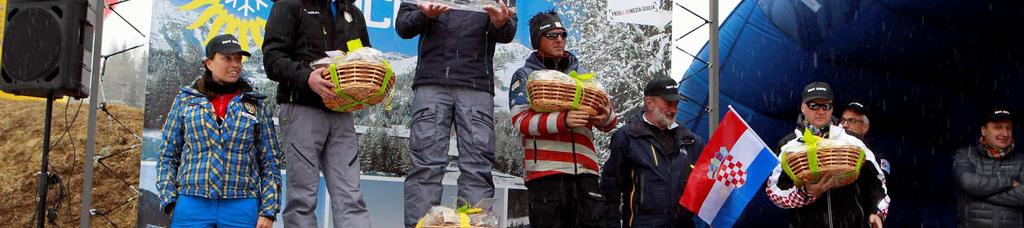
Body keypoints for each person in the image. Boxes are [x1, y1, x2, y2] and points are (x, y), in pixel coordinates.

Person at [395, 1, 516, 227]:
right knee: (425, 167)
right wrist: (424, 15)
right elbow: (403, 26)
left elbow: (508, 31)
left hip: (476, 85)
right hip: (432, 82)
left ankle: (476, 225)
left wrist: (501, 23)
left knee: (477, 167)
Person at [262, 0, 373, 226]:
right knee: (302, 198)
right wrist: (306, 77)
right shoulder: (289, 5)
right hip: (302, 109)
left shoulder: (352, 12)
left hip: (342, 112)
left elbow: (364, 57)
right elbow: (272, 59)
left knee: (351, 197)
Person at [158, 34, 282, 228]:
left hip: (242, 204)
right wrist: (169, 199)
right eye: (227, 58)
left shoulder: (256, 104)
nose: (235, 65)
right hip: (191, 202)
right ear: (209, 63)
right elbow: (168, 154)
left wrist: (268, 210)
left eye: (238, 59)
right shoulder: (186, 99)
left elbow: (270, 161)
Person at [508, 11, 618, 227]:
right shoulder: (524, 75)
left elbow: (610, 119)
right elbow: (521, 121)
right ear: (537, 41)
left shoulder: (583, 76)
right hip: (546, 177)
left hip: (587, 177)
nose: (560, 39)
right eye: (551, 35)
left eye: (563, 34)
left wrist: (606, 117)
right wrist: (563, 120)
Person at [766, 81, 889, 228]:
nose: (820, 111)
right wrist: (805, 193)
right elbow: (774, 190)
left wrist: (877, 211)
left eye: (826, 106)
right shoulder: (788, 145)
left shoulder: (852, 140)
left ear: (832, 108)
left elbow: (877, 179)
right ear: (803, 107)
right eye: (814, 105)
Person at [601, 75, 705, 227]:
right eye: (668, 103)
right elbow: (610, 191)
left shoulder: (692, 142)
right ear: (649, 103)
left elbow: (706, 183)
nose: (673, 109)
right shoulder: (626, 137)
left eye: (676, 104)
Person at [954, 109, 1022, 227]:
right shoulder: (966, 155)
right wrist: (1008, 182)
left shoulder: (1022, 160)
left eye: (1008, 128)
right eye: (998, 127)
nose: (1005, 133)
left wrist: (977, 192)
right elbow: (968, 182)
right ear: (984, 131)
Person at [841, 101, 890, 175]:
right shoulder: (828, 146)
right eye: (843, 120)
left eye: (851, 121)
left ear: (865, 127)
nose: (844, 125)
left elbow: (881, 178)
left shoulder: (876, 154)